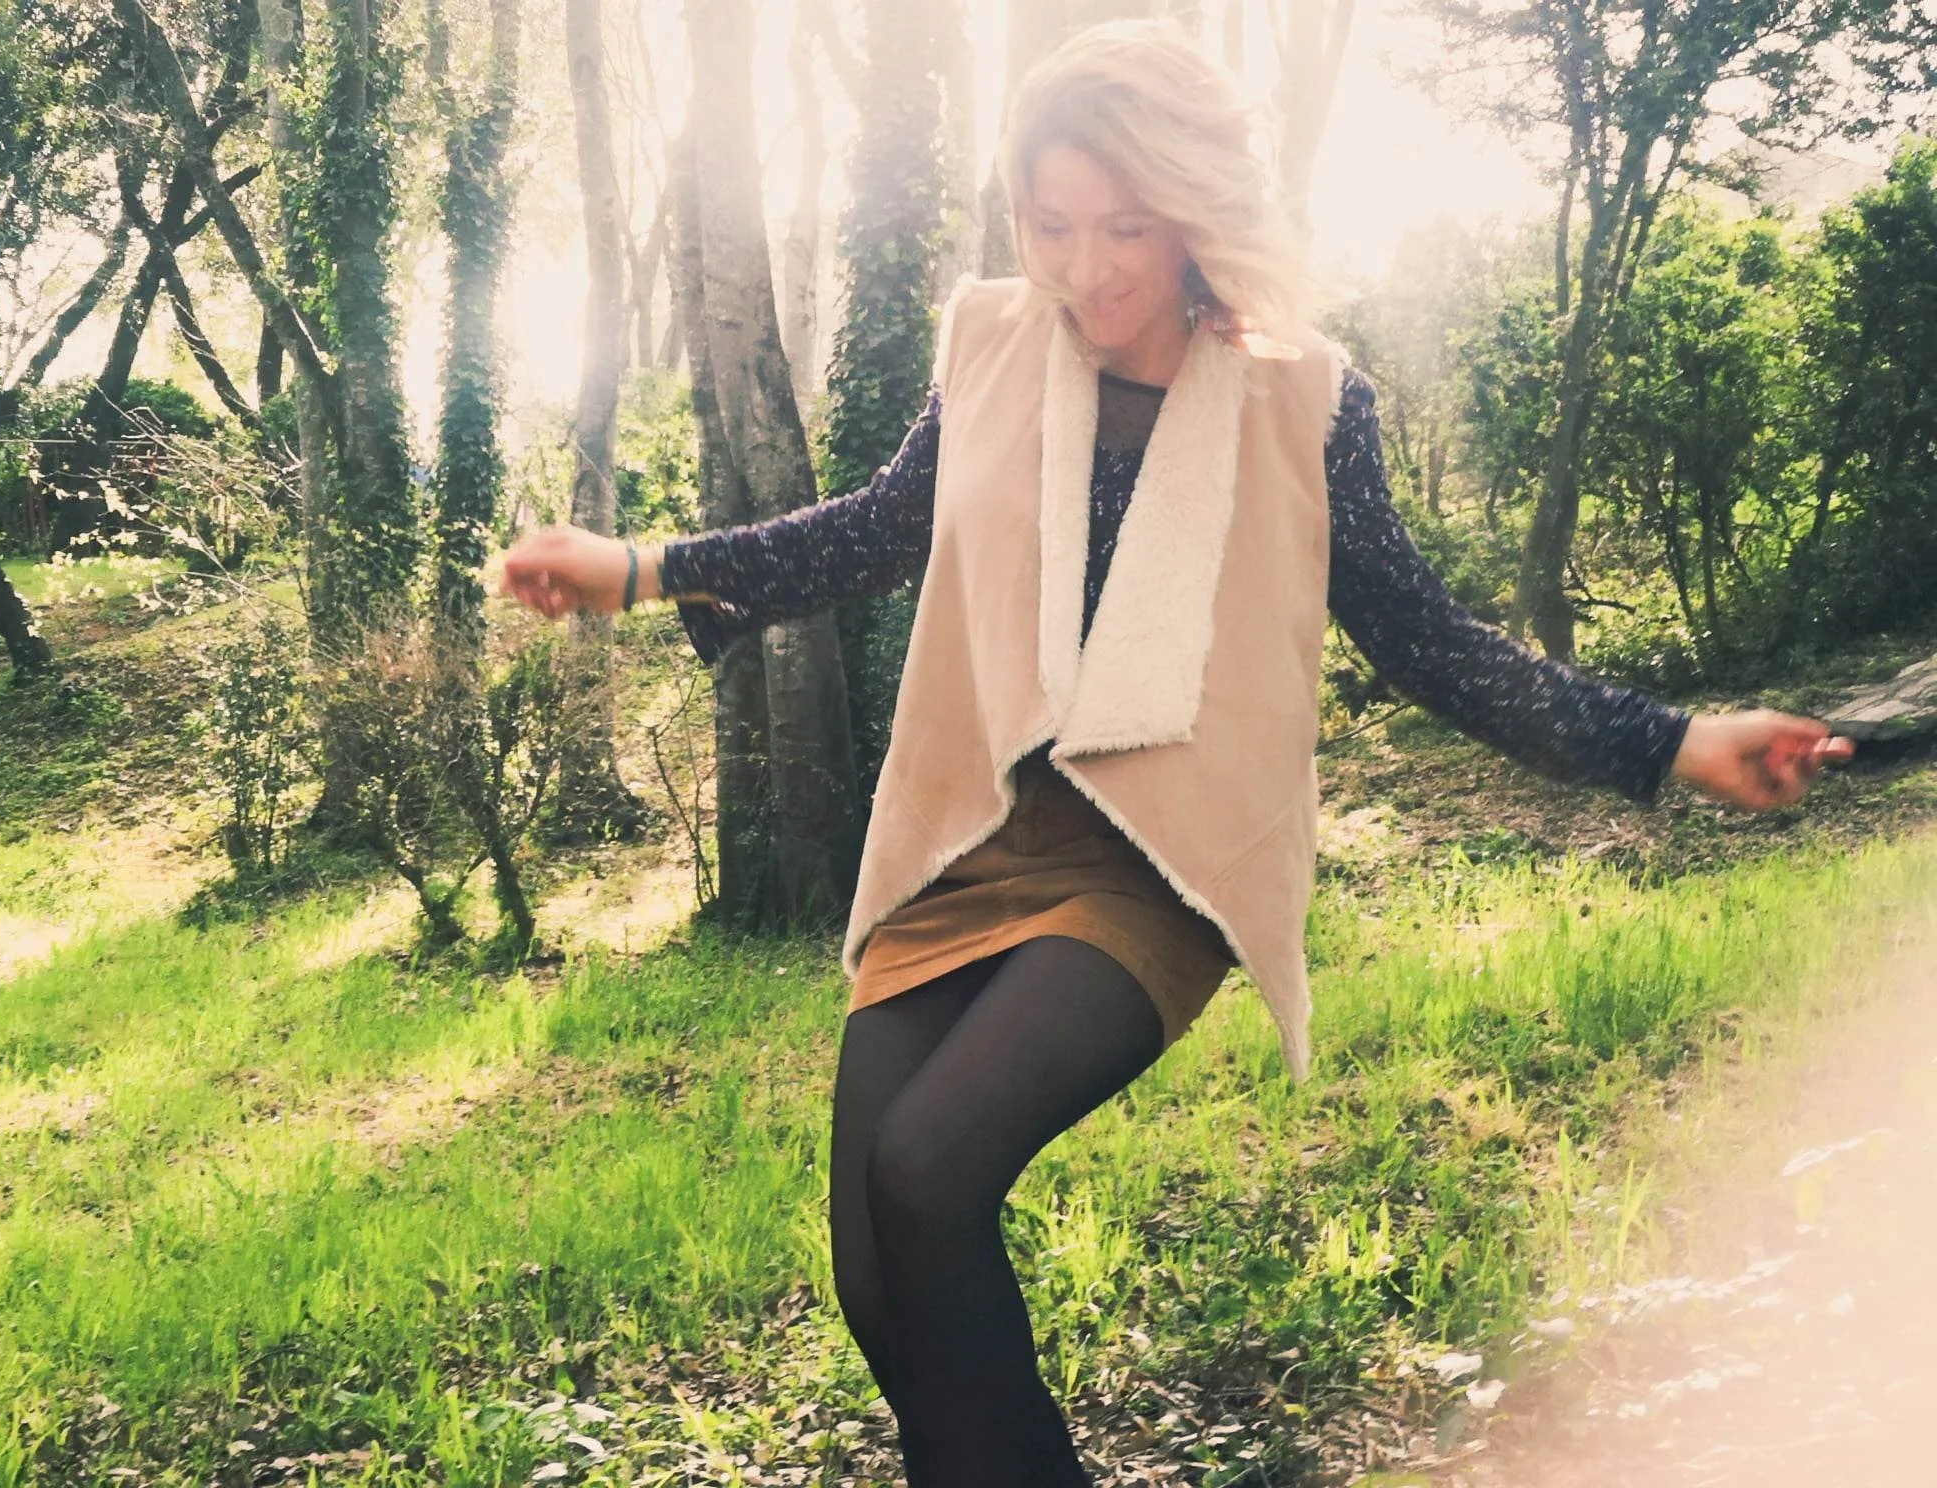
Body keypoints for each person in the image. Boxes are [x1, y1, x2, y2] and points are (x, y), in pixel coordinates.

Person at [499, 19, 1853, 1484]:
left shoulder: (1302, 398)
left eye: (1127, 227)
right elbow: (881, 529)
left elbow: (1426, 639)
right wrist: (641, 570)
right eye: (1053, 225)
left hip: (1155, 861)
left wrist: (1674, 744)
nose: (1087, 268)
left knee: (927, 1168)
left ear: (1195, 211)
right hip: (968, 835)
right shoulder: (991, 344)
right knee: (881, 1281)